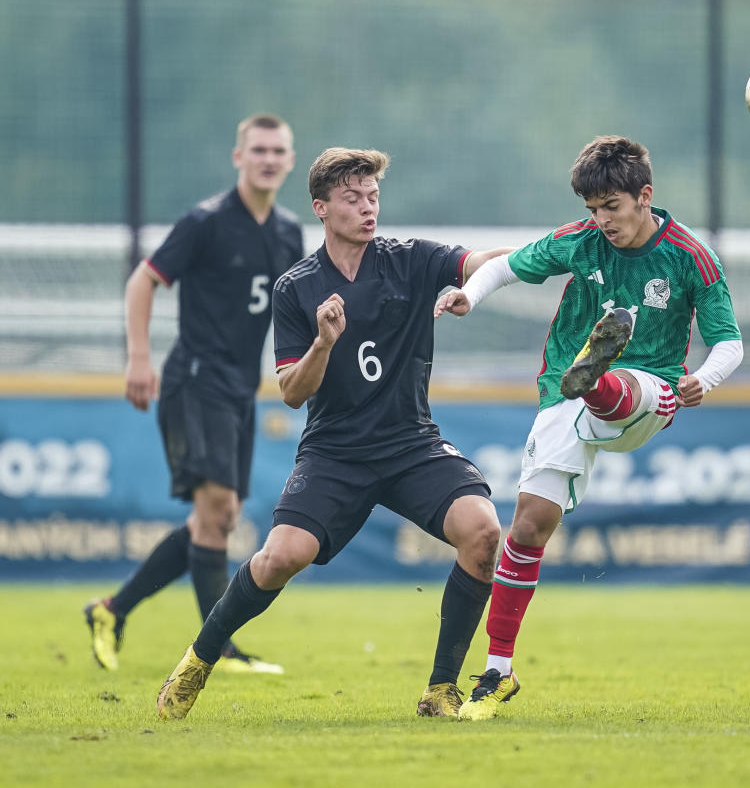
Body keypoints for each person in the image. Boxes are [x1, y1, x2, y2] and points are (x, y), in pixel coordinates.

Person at [155, 147, 511, 720]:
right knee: (277, 560)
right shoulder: (297, 288)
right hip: (336, 452)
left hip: (410, 443)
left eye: (373, 196)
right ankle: (197, 660)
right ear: (322, 208)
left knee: (484, 531)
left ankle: (440, 689)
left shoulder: (411, 259)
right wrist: (323, 342)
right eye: (353, 198)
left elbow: (485, 260)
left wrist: (540, 256)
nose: (368, 207)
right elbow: (293, 392)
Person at [433, 135, 744, 720]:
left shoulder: (690, 256)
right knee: (527, 527)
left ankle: (598, 375)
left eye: (612, 208)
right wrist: (468, 295)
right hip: (561, 396)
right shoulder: (580, 243)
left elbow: (729, 341)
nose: (601, 221)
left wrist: (708, 377)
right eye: (592, 210)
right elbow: (504, 266)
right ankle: (497, 672)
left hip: (653, 391)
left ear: (644, 196)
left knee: (622, 390)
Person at [84, 113, 303, 674]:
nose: (268, 159)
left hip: (239, 390)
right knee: (220, 509)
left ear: (291, 160)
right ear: (238, 157)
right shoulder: (205, 221)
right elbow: (143, 280)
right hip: (196, 379)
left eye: (278, 150)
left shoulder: (286, 231)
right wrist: (137, 358)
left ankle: (112, 609)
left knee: (217, 520)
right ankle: (221, 649)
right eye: (258, 149)